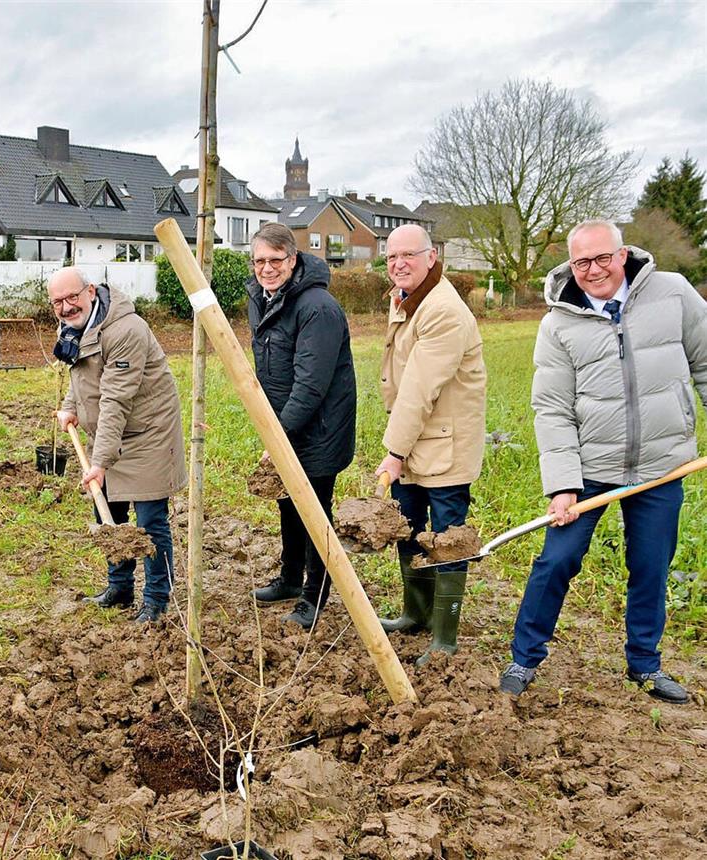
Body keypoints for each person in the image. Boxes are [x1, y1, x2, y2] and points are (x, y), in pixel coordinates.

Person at [499, 220, 707, 704]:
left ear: (623, 254)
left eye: (602, 258)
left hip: (661, 464)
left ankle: (645, 665)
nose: (593, 271)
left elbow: (705, 362)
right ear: (571, 265)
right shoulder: (559, 323)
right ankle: (524, 657)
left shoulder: (672, 294)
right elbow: (552, 408)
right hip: (590, 470)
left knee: (652, 565)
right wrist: (564, 484)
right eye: (581, 262)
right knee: (557, 560)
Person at [375, 224, 486, 665]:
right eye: (391, 257)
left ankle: (444, 637)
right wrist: (401, 449)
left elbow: (420, 388)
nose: (399, 263)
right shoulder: (405, 298)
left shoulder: (443, 311)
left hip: (444, 447)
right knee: (408, 527)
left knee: (445, 539)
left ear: (432, 257)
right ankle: (414, 613)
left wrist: (394, 453)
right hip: (416, 439)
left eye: (408, 255)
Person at [50, 267, 186, 624]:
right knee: (107, 511)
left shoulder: (126, 330)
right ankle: (120, 587)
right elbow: (80, 374)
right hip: (111, 433)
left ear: (90, 292)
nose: (66, 307)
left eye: (72, 298)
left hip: (147, 433)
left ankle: (156, 599)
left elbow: (116, 399)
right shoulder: (75, 326)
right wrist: (69, 406)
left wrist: (101, 460)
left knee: (149, 522)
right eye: (57, 303)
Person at [245, 223, 356, 630]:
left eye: (276, 260)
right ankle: (291, 579)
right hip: (285, 423)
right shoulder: (261, 297)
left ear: (293, 260)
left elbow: (312, 382)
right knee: (287, 503)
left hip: (320, 429)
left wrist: (280, 432)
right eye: (260, 261)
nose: (267, 269)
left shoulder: (317, 307)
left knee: (314, 513)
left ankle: (314, 594)